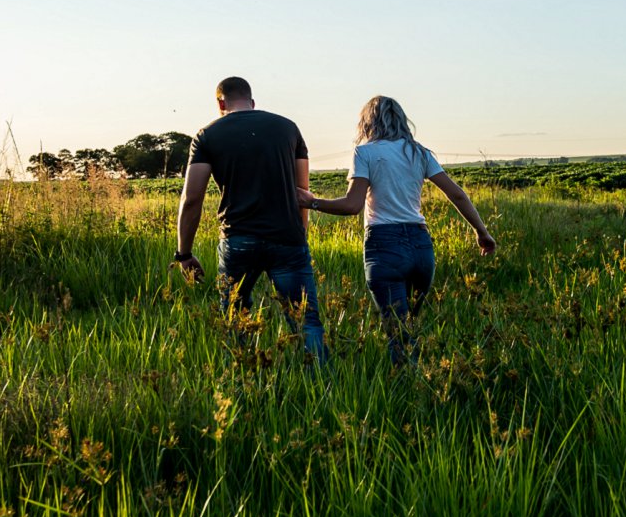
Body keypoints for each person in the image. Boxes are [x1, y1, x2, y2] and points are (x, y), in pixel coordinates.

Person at [298, 95, 495, 365]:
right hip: (421, 246)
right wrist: (482, 232)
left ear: (367, 122)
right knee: (409, 325)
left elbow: (352, 205)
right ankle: (421, 381)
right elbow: (457, 195)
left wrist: (313, 202)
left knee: (398, 333)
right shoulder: (419, 152)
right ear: (401, 120)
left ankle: (407, 388)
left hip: (385, 246)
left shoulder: (365, 153)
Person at [174, 76, 326, 363]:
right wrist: (299, 236)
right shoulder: (288, 128)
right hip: (287, 239)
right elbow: (301, 193)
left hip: (238, 240)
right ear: (252, 101)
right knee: (307, 321)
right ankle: (323, 382)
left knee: (234, 317)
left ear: (221, 103)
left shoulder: (207, 135)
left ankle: (239, 382)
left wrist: (184, 253)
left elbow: (191, 198)